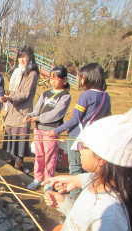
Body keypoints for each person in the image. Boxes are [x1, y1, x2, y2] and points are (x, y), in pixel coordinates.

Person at [43, 109, 132, 231]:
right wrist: (65, 203)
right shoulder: (97, 184)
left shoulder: (112, 212)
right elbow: (87, 221)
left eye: (85, 146)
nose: (78, 148)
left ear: (101, 159)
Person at [49, 63, 111, 198]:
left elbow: (75, 119)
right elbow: (107, 118)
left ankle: (74, 200)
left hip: (78, 138)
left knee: (75, 169)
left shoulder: (86, 95)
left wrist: (57, 130)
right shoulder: (106, 97)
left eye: (82, 77)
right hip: (94, 140)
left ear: (90, 77)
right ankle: (86, 196)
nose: (80, 80)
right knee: (88, 171)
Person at [25, 66, 71, 190]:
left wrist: (38, 118)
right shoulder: (45, 93)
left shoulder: (65, 96)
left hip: (51, 130)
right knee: (39, 154)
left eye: (55, 78)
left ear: (64, 80)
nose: (52, 81)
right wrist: (30, 115)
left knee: (50, 156)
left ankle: (48, 182)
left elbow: (57, 113)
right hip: (38, 128)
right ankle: (37, 178)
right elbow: (37, 109)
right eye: (51, 78)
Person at [0, 46, 39, 171]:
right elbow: (13, 91)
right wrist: (7, 97)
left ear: (30, 58)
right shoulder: (17, 72)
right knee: (10, 137)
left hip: (22, 112)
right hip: (12, 111)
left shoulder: (32, 74)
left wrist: (9, 97)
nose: (22, 60)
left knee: (20, 140)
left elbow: (25, 94)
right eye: (20, 57)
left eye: (24, 57)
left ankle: (18, 166)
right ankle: (10, 163)